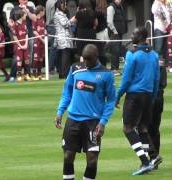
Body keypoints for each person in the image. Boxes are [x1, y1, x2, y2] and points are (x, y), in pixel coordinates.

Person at [55, 44, 116, 180]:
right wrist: (60, 111)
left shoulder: (106, 74)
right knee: (68, 156)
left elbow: (111, 100)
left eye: (89, 59)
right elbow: (67, 92)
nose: (86, 63)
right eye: (84, 59)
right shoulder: (75, 69)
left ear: (96, 57)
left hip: (93, 122)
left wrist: (103, 122)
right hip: (73, 120)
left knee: (92, 159)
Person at [115, 26, 160, 175]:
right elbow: (156, 79)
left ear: (140, 37)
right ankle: (147, 162)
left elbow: (126, 79)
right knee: (143, 128)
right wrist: (152, 97)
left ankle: (145, 161)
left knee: (128, 128)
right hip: (148, 95)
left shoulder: (132, 54)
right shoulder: (154, 55)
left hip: (134, 95)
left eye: (134, 34)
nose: (131, 35)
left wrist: (118, 95)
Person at [8, 0, 36, 82]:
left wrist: (27, 11)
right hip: (18, 38)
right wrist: (12, 25)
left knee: (28, 57)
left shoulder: (30, 8)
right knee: (17, 58)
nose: (25, 1)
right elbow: (9, 21)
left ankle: (27, 74)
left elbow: (34, 18)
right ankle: (13, 76)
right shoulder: (14, 9)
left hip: (29, 37)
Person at [54, 0, 75, 79]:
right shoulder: (58, 14)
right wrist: (72, 19)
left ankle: (64, 73)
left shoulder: (61, 14)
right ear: (60, 5)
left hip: (64, 37)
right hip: (63, 38)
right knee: (65, 56)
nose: (65, 6)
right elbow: (65, 24)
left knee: (65, 56)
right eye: (64, 4)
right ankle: (64, 73)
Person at [107, 0, 127, 75]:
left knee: (117, 51)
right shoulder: (111, 7)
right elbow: (109, 22)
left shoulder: (119, 7)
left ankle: (116, 68)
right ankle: (114, 69)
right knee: (114, 51)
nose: (120, 0)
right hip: (114, 33)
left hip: (119, 33)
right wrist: (115, 31)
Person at [11, 9, 31, 82]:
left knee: (27, 60)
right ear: (21, 16)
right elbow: (15, 36)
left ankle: (26, 75)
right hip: (18, 46)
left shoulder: (24, 24)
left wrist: (25, 44)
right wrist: (20, 45)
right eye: (25, 14)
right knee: (19, 61)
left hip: (25, 46)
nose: (26, 16)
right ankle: (19, 76)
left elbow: (26, 35)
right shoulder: (15, 25)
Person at [32, 5, 46, 80]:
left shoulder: (43, 19)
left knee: (41, 58)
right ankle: (34, 75)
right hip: (37, 41)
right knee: (36, 58)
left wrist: (46, 35)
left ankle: (39, 74)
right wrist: (42, 39)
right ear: (41, 12)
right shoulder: (35, 19)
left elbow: (44, 29)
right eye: (44, 11)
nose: (44, 12)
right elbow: (34, 31)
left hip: (43, 42)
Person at [46, 0, 58, 74]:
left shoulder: (48, 1)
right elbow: (54, 17)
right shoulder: (55, 2)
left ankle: (52, 67)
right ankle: (50, 68)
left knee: (53, 48)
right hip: (53, 26)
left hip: (49, 26)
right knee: (54, 48)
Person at [95, 0, 108, 67]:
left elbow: (96, 24)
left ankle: (101, 65)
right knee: (103, 50)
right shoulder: (104, 11)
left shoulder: (97, 13)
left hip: (99, 32)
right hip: (104, 31)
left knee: (100, 51)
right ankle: (104, 65)